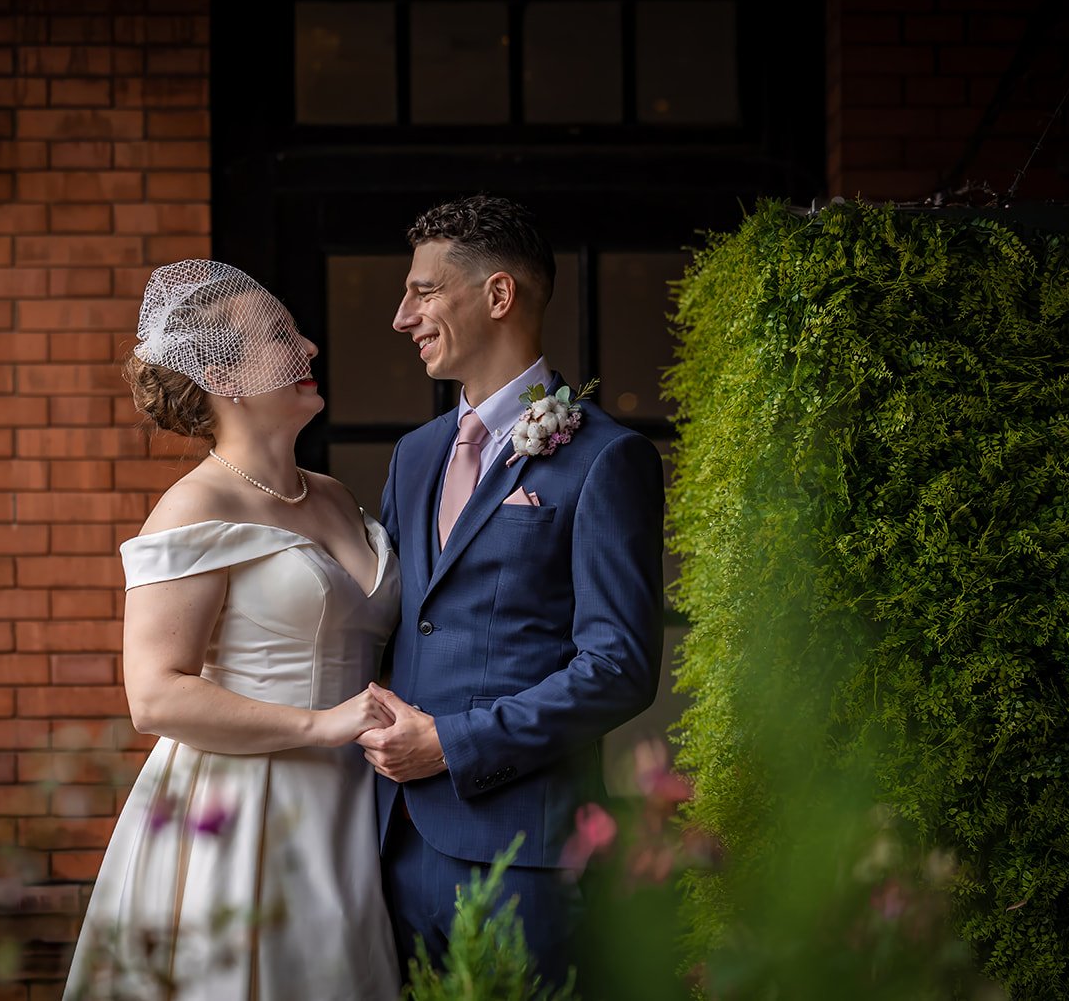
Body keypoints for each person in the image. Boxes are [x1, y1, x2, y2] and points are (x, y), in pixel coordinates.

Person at [65, 261, 401, 1000]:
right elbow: (153, 697)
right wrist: (319, 724)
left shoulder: (338, 496)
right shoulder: (193, 507)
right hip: (248, 807)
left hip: (363, 803)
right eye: (282, 337)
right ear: (224, 374)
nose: (310, 346)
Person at [361, 196, 665, 984]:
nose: (403, 316)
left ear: (498, 296)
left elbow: (618, 667)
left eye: (424, 291)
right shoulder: (415, 455)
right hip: (391, 845)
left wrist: (453, 744)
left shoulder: (605, 458)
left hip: (519, 855)